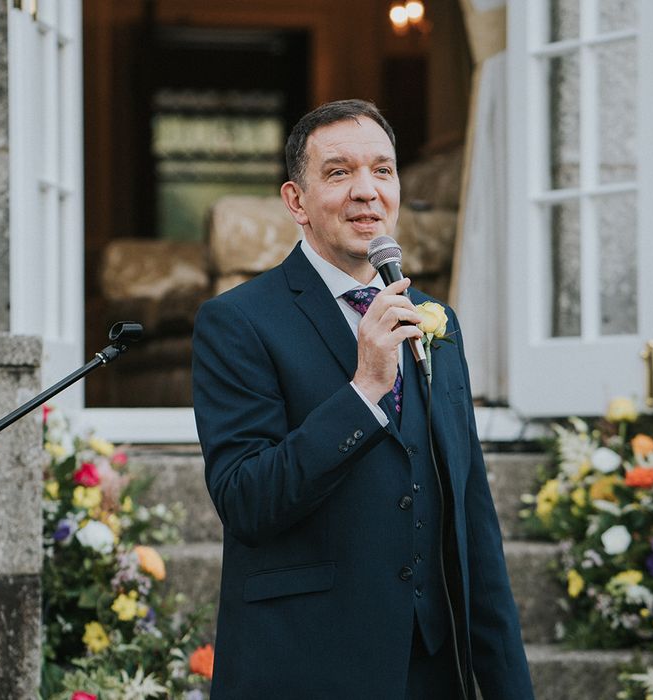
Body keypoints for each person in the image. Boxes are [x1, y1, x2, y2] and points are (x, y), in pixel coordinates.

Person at [192, 99, 534, 699]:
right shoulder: (238, 322)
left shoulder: (435, 320)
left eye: (383, 170)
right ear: (296, 201)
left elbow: (470, 512)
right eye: (339, 172)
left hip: (430, 668)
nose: (367, 192)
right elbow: (247, 501)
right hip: (307, 667)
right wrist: (364, 390)